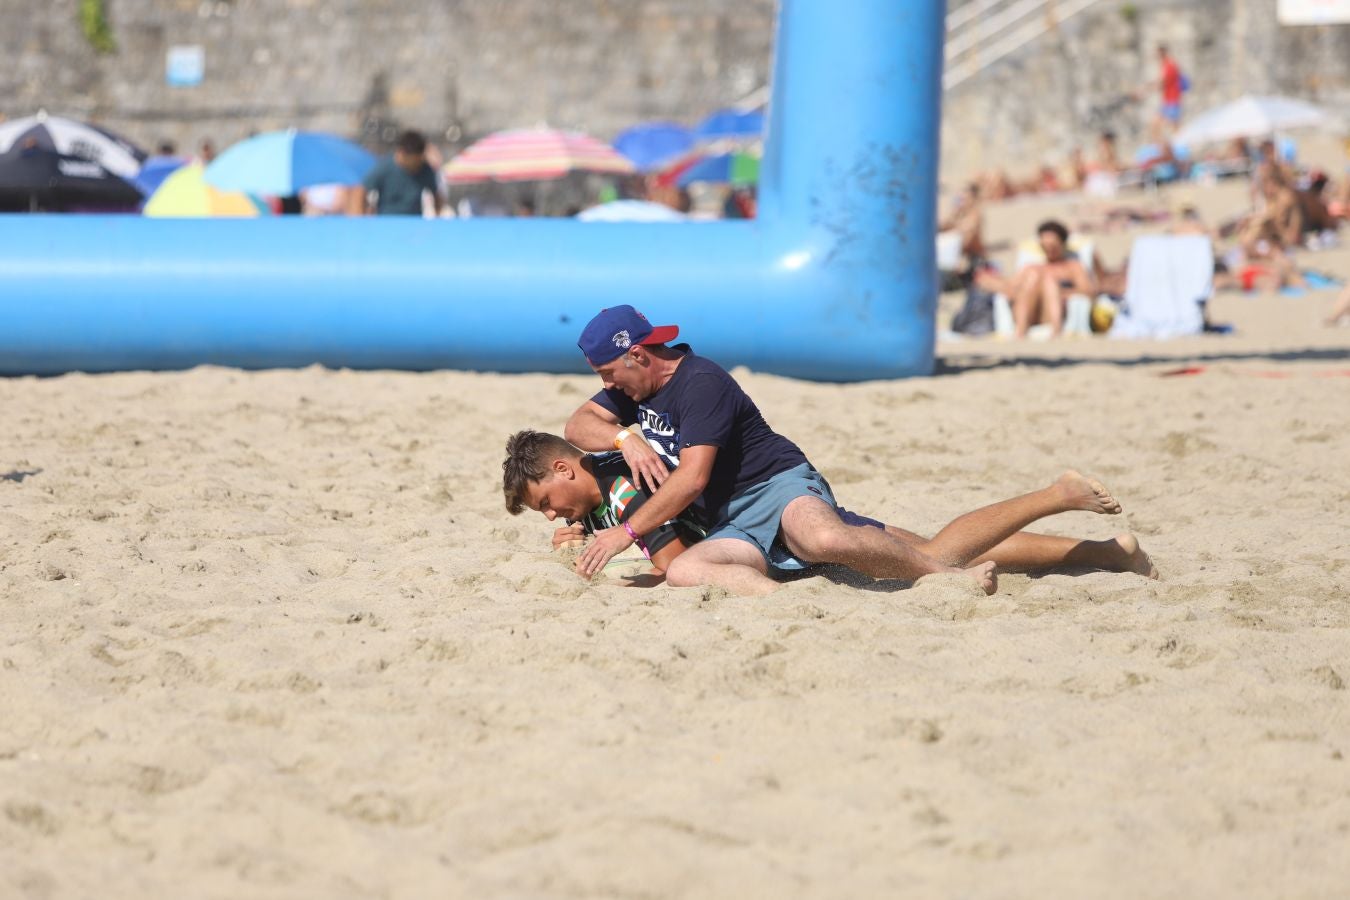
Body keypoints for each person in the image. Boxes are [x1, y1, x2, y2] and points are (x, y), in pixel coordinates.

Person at [560, 306, 1156, 596]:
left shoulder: (700, 382)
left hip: (779, 487)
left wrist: (621, 534)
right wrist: (625, 436)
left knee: (833, 540)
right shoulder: (630, 398)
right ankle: (1101, 545)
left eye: (610, 371)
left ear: (639, 355)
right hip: (736, 521)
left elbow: (689, 483)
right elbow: (577, 421)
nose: (606, 385)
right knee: (925, 544)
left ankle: (956, 577)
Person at [502, 430, 707, 580]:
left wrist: (602, 579)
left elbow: (672, 569)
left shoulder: (626, 485)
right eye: (542, 510)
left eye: (546, 502)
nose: (550, 516)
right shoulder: (580, 504)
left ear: (563, 469)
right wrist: (571, 551)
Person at [978, 220, 1095, 338]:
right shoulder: (1033, 268)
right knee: (1033, 275)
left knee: (1049, 282)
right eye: (1045, 246)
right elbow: (1010, 287)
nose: (1049, 250)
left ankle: (1055, 331)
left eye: (1053, 246)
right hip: (1030, 312)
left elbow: (1089, 291)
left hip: (1056, 313)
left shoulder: (1073, 267)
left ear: (1062, 243)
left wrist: (1062, 293)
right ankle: (1021, 331)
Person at [353, 129, 442, 216]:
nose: (416, 165)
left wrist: (437, 217)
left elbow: (436, 195)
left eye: (419, 160)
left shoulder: (425, 169)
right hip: (386, 222)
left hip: (413, 222)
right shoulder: (385, 167)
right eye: (413, 160)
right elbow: (361, 190)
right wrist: (361, 220)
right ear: (401, 153)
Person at [1154, 44, 1186, 139]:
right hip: (1169, 100)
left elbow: (1163, 82)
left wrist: (1147, 88)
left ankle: (1178, 145)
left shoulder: (1169, 65)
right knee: (1162, 124)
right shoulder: (1167, 65)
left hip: (1172, 100)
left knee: (1172, 125)